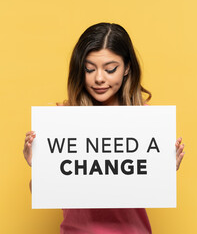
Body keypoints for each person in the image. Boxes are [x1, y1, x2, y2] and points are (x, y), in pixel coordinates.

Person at [23, 22, 185, 234]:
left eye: (110, 69)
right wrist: (40, 166)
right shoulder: (62, 117)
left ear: (127, 68)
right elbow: (41, 193)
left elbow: (148, 186)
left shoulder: (145, 119)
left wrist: (164, 168)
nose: (99, 78)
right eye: (89, 69)